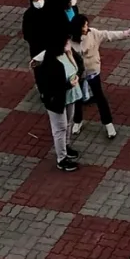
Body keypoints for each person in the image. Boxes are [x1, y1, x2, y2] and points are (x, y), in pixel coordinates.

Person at [71, 13, 130, 137]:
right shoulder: (70, 39)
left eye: (86, 24)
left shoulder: (93, 33)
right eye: (84, 25)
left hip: (92, 71)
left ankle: (108, 124)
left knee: (99, 96)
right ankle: (77, 121)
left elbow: (108, 35)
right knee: (77, 98)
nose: (86, 27)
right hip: (77, 73)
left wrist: (125, 34)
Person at [36, 28, 85, 171]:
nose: (68, 44)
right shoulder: (51, 62)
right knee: (60, 128)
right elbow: (50, 85)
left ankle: (66, 146)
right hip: (56, 99)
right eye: (66, 42)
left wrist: (77, 76)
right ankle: (61, 159)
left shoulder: (68, 53)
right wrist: (68, 84)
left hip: (69, 95)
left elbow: (79, 65)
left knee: (68, 122)